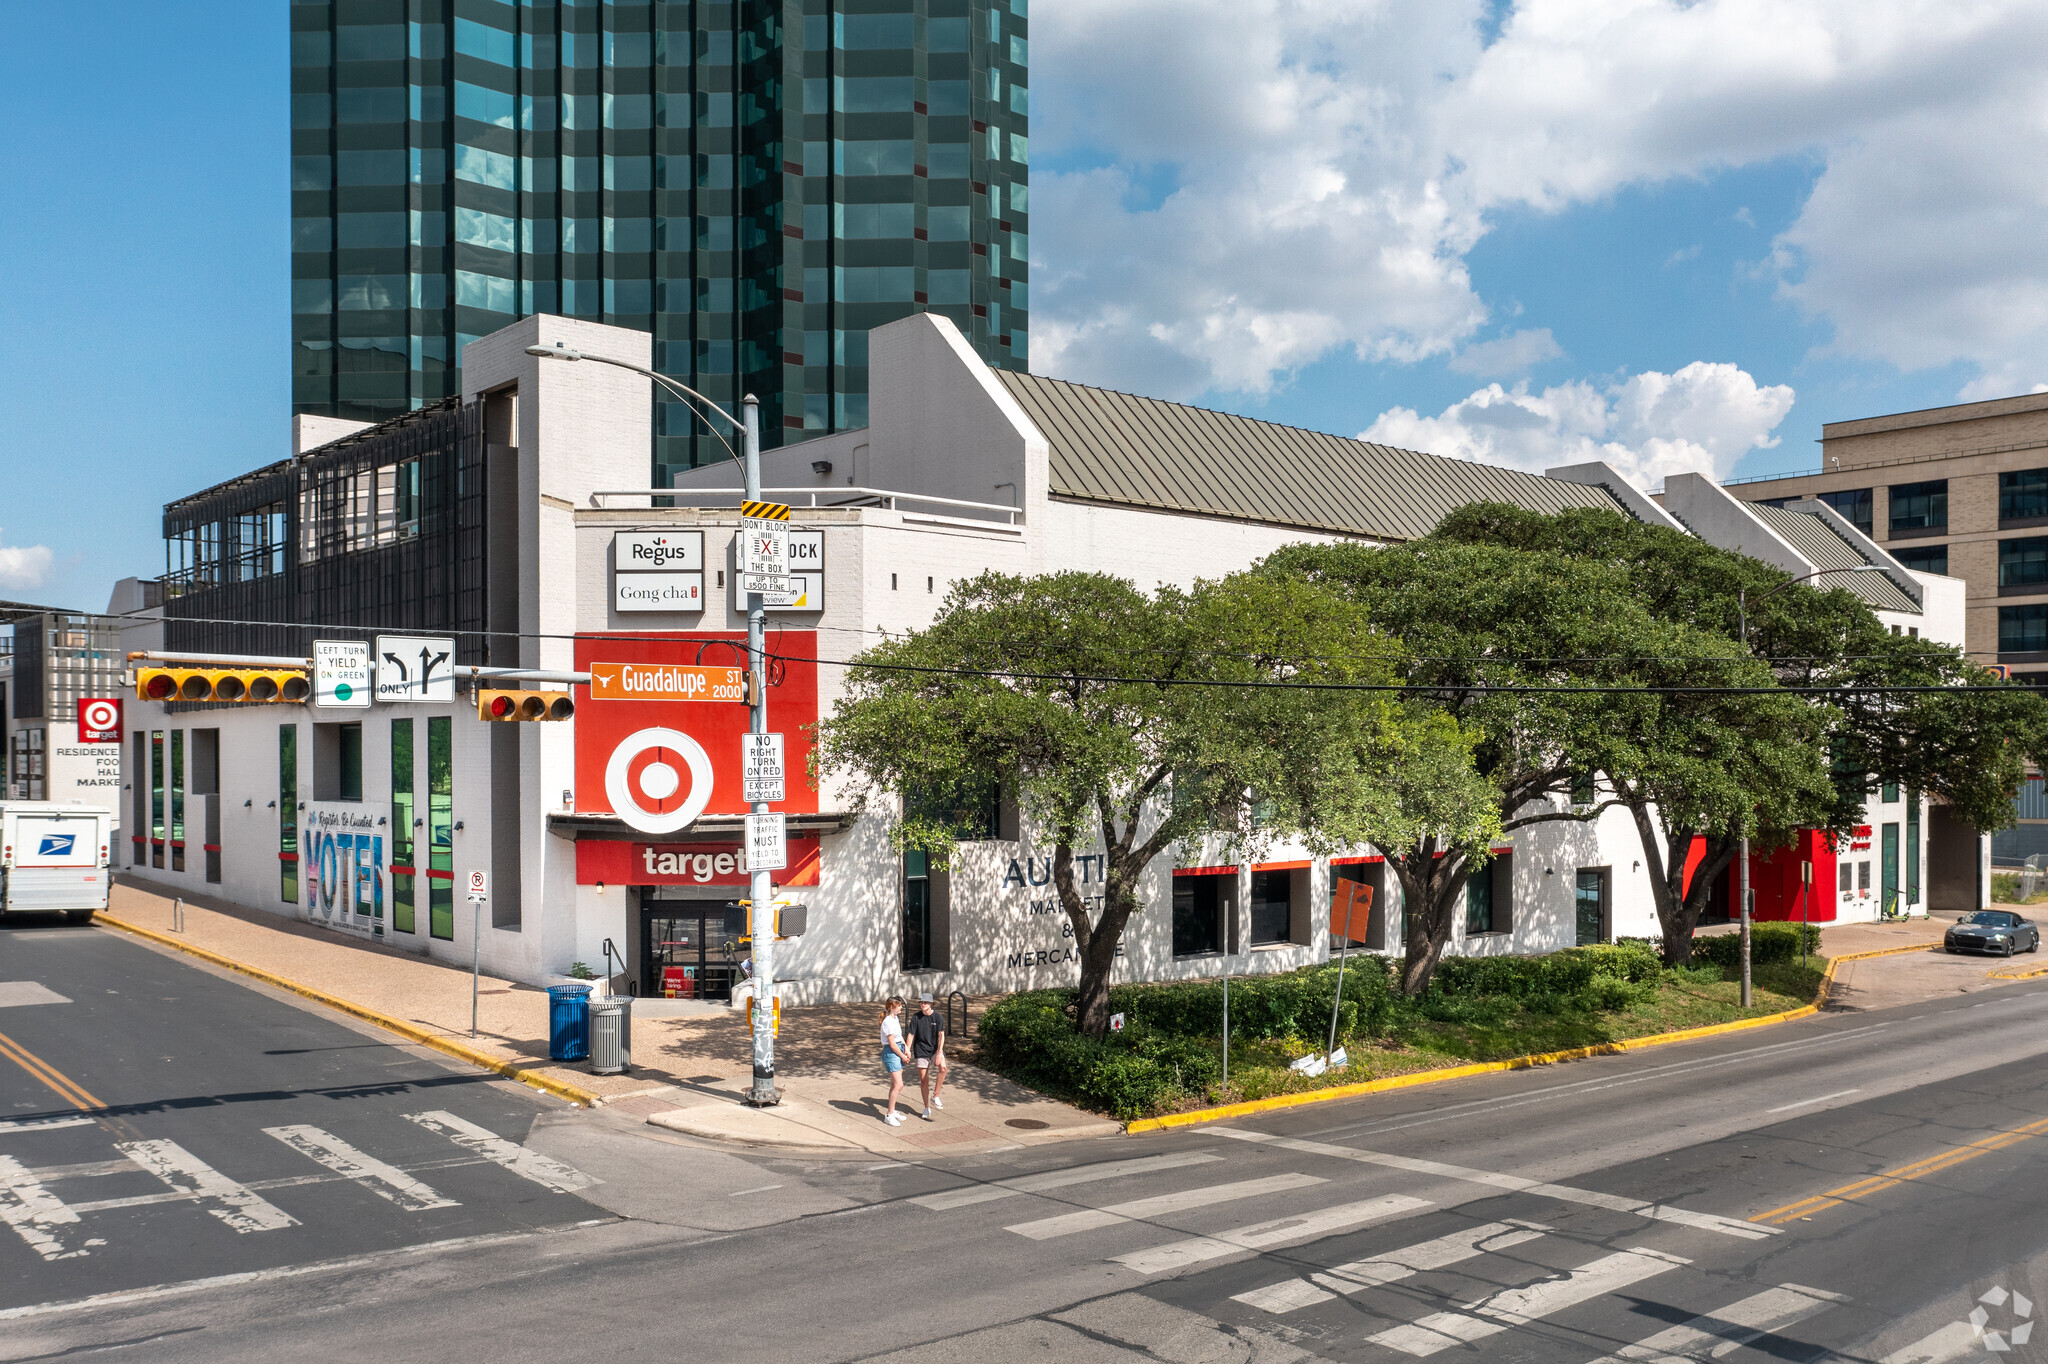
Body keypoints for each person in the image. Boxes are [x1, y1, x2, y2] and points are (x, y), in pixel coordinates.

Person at [908, 992, 949, 1119]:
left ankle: (935, 1096)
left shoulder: (938, 1017)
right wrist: (907, 1050)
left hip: (934, 1049)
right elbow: (911, 1035)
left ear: (931, 1004)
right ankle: (926, 1107)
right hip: (921, 1050)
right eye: (921, 1002)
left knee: (943, 1067)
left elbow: (941, 1035)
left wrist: (939, 1052)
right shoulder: (916, 1017)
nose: (923, 1004)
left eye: (925, 1002)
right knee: (924, 1079)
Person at [878, 997, 910, 1125]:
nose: (901, 1008)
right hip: (892, 1053)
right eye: (899, 1006)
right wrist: (902, 1056)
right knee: (899, 1085)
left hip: (899, 1050)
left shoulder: (895, 1019)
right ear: (892, 1007)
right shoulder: (887, 1022)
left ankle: (892, 1110)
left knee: (894, 1084)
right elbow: (892, 1044)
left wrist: (906, 1048)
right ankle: (889, 1115)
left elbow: (899, 1037)